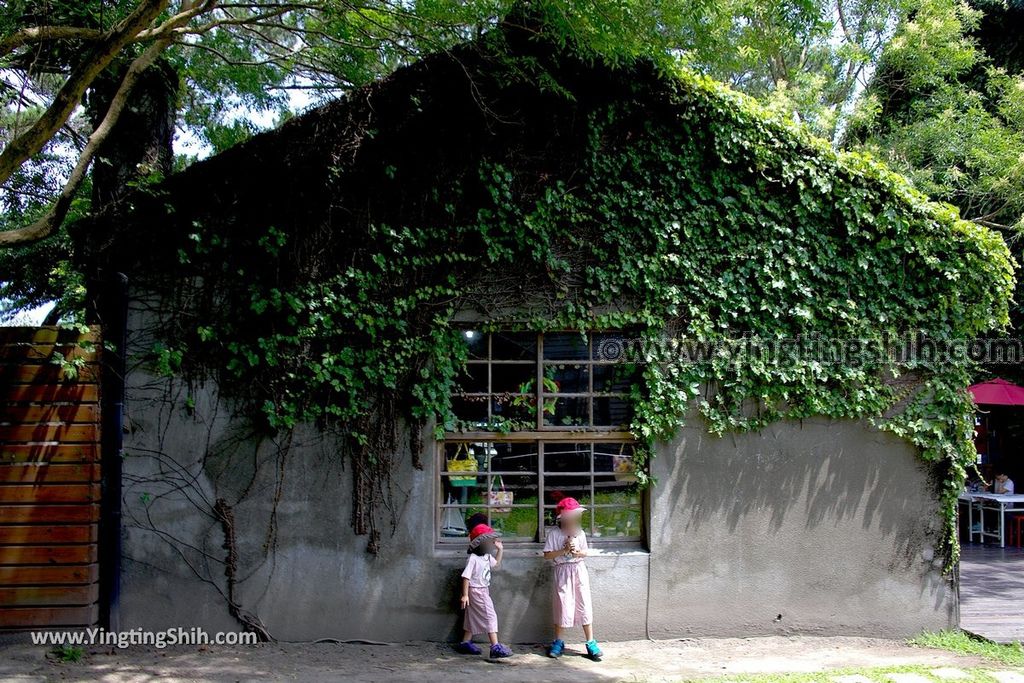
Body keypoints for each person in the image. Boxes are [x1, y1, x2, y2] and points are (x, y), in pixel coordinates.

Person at [542, 497, 602, 661]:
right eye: (570, 518)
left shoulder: (580, 533)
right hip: (562, 572)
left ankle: (590, 642)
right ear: (562, 519)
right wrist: (564, 550)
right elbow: (547, 555)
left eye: (575, 518)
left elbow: (585, 552)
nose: (573, 521)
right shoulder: (554, 534)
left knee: (583, 603)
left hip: (578, 570)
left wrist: (576, 552)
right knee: (563, 605)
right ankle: (558, 641)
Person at [455, 524, 512, 658]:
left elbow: (496, 564)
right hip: (476, 591)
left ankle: (465, 643)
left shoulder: (486, 556)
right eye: (488, 541)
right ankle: (495, 647)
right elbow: (466, 576)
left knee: (472, 617)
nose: (491, 544)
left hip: (483, 590)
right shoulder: (473, 559)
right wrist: (465, 595)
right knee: (490, 616)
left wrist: (500, 550)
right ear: (479, 543)